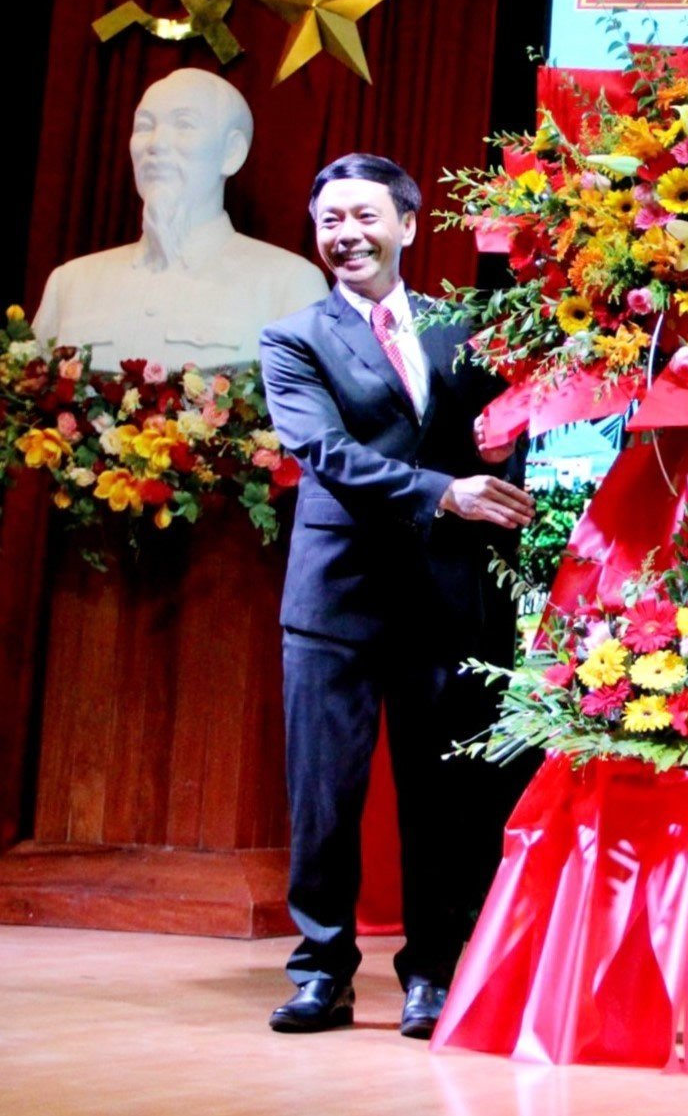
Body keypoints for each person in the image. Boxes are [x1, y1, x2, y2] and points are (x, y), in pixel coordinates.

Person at [259, 153, 535, 1038]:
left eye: (364, 216)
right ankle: (321, 971)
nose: (347, 234)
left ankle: (434, 973)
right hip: (337, 597)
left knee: (442, 800)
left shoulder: (468, 331)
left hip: (448, 596)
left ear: (409, 225)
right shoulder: (292, 338)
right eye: (330, 219)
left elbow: (500, 441)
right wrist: (442, 491)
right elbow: (325, 453)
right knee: (326, 796)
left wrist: (493, 475)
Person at [33, 68, 328, 369]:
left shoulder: (288, 285)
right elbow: (27, 402)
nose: (156, 144)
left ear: (232, 152)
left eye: (184, 125)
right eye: (144, 126)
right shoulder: (71, 283)